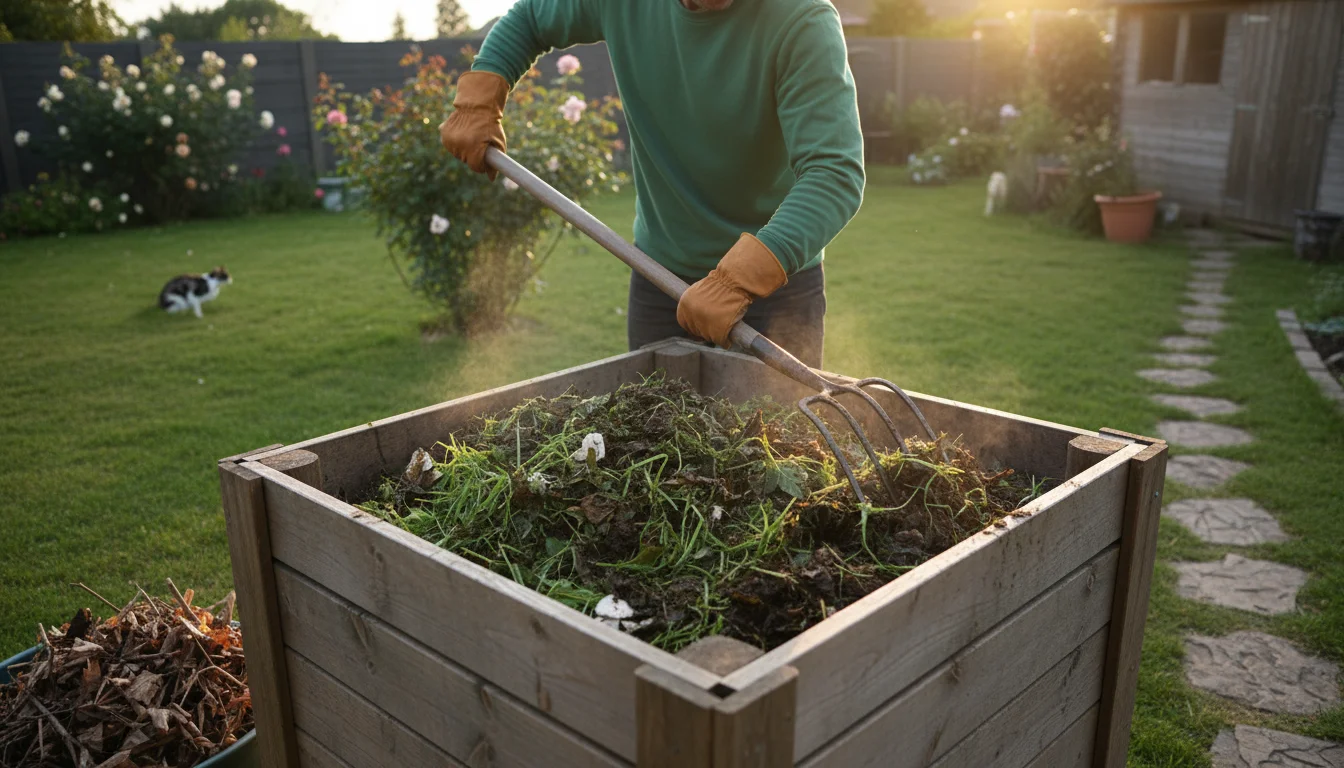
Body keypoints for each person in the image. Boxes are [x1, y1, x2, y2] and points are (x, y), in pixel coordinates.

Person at [440, 0, 864, 368]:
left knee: (782, 451)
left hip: (773, 288)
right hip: (661, 277)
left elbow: (834, 173)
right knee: (655, 447)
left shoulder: (802, 21)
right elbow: (532, 17)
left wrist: (738, 280)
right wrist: (481, 93)